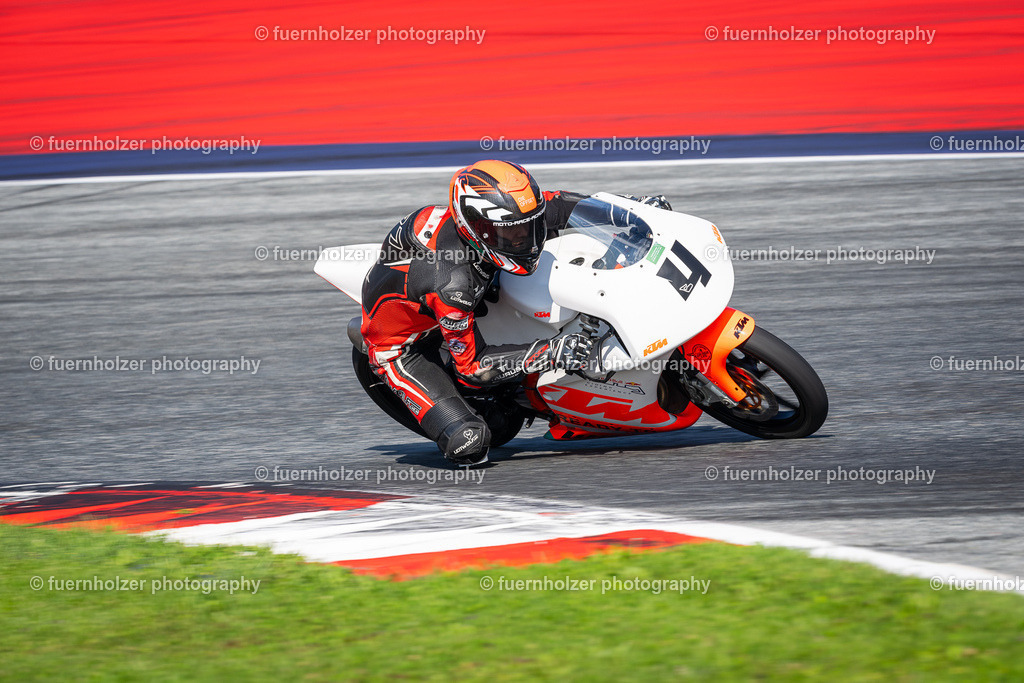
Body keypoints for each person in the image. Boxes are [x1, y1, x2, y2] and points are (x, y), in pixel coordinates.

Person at [360, 160, 669, 465]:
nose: (526, 239)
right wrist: (552, 352)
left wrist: (637, 212)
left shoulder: (505, 217)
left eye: (529, 226)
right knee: (470, 443)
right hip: (405, 348)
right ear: (476, 230)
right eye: (511, 234)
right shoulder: (453, 285)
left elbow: (564, 207)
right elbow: (472, 368)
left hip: (453, 287)